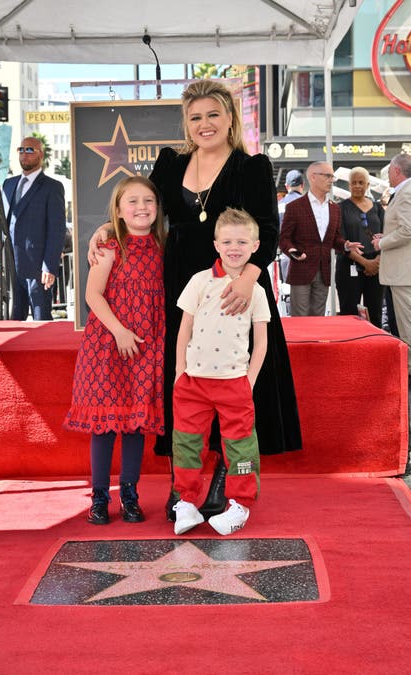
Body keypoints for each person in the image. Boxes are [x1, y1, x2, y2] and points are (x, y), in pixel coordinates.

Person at [89, 79, 302, 520]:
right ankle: (182, 484)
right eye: (195, 117)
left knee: (232, 381)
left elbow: (268, 229)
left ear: (229, 119)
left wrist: (249, 279)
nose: (204, 124)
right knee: (184, 383)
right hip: (181, 291)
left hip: (234, 287)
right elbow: (138, 204)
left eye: (212, 115)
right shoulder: (170, 163)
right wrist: (108, 228)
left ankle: (226, 474)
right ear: (187, 123)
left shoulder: (252, 167)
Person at [64, 176, 166, 524]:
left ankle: (129, 494)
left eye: (148, 201)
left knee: (136, 425)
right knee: (105, 426)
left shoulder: (161, 247)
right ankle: (98, 497)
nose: (141, 207)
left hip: (145, 346)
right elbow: (93, 295)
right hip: (108, 344)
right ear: (119, 211)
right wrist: (120, 331)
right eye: (133, 202)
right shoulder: (110, 247)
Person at [170, 208, 268, 536]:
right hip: (193, 382)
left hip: (234, 382)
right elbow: (184, 329)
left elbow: (262, 341)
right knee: (186, 441)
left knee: (240, 445)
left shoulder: (256, 290)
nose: (234, 247)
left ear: (255, 246)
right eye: (227, 241)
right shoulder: (199, 281)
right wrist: (179, 372)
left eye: (242, 241)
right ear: (216, 244)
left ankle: (239, 506)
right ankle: (185, 503)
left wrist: (249, 380)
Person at [0, 136, 67, 321]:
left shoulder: (52, 187)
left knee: (42, 324)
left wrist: (49, 266)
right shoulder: (8, 184)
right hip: (9, 269)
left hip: (38, 272)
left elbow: (57, 230)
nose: (24, 154)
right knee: (12, 327)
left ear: (41, 154)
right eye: (21, 150)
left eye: (30, 150)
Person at [278, 161, 362, 317]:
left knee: (318, 318)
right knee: (300, 319)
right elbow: (284, 239)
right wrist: (292, 251)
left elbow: (335, 238)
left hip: (324, 271)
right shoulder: (295, 207)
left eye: (332, 176)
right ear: (312, 177)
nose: (331, 180)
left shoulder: (335, 209)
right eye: (327, 176)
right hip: (301, 269)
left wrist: (345, 245)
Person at [374, 153, 411, 382]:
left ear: (397, 170)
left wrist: (382, 242)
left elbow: (410, 230)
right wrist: (387, 235)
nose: (388, 176)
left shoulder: (408, 192)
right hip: (403, 270)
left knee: (409, 323)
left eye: (390, 171)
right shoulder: (407, 191)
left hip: (405, 271)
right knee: (406, 321)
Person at [335, 166, 386, 319]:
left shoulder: (378, 208)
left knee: (375, 312)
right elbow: (340, 241)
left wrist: (377, 261)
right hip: (349, 268)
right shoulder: (340, 209)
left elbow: (387, 237)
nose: (357, 186)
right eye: (354, 182)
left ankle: (375, 343)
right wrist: (365, 263)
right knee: (349, 313)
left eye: (361, 182)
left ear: (367, 185)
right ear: (349, 185)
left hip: (376, 269)